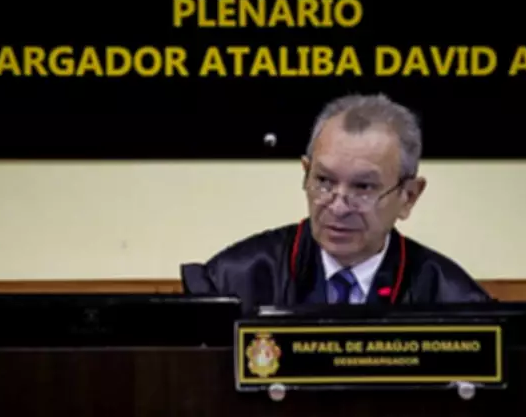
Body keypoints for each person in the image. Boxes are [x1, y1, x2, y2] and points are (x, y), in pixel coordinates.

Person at [180, 93, 490, 312]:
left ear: (408, 196)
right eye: (324, 181)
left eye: (363, 187)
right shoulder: (233, 282)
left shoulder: (454, 301)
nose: (338, 207)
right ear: (306, 172)